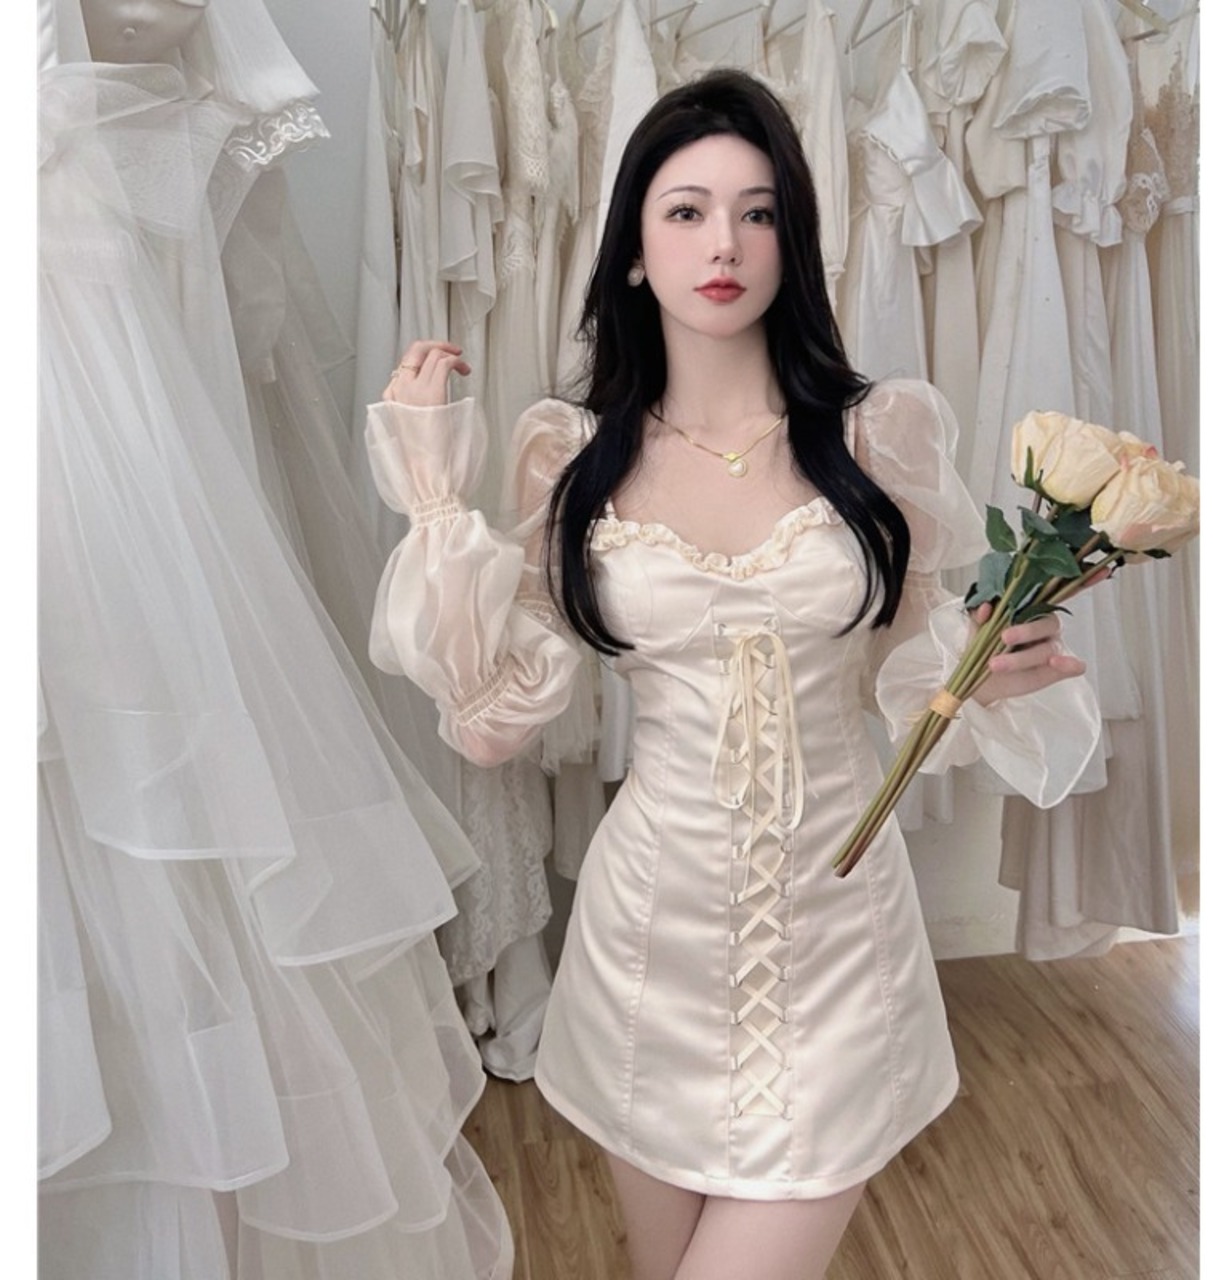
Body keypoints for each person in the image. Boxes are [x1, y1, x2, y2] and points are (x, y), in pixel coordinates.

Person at [366, 69, 1097, 1280]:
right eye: (687, 210)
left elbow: (907, 666)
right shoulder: (568, 455)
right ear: (633, 250)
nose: (724, 242)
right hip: (649, 943)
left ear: (790, 242)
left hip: (840, 933)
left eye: (758, 213)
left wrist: (978, 668)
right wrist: (434, 499)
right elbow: (491, 722)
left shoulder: (880, 434)